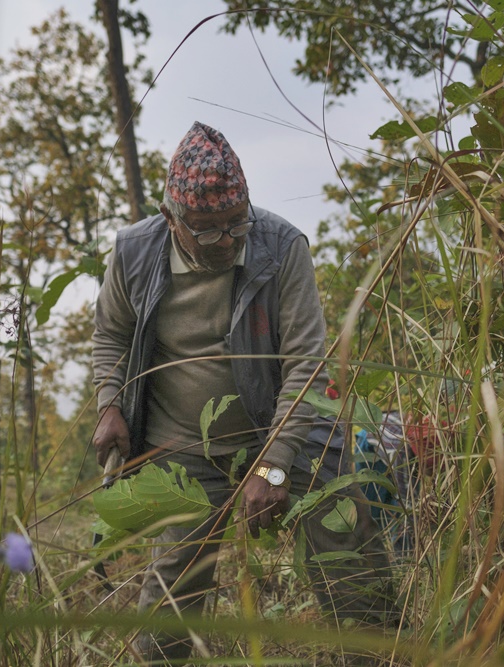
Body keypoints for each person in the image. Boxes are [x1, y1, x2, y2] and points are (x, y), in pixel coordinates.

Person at [90, 121, 394, 663]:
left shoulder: (281, 246)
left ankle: (379, 654)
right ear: (171, 220)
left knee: (348, 544)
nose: (228, 240)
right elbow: (112, 333)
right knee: (170, 605)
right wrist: (109, 402)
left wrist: (273, 465)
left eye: (237, 223)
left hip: (286, 425)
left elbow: (306, 363)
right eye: (209, 229)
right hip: (184, 442)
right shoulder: (133, 254)